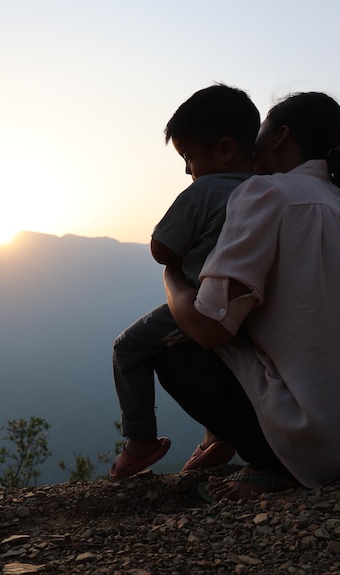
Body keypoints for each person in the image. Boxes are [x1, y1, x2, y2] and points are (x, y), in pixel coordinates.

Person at [156, 91, 340, 501]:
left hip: (326, 444)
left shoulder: (266, 194)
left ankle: (273, 463)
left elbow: (211, 327)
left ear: (281, 136)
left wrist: (173, 276)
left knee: (167, 344)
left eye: (263, 130)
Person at [109, 84, 260, 479]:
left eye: (189, 157)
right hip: (251, 303)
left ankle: (140, 441)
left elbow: (161, 248)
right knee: (220, 361)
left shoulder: (206, 190)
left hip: (202, 302)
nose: (187, 169)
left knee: (127, 348)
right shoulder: (267, 189)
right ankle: (217, 435)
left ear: (225, 149)